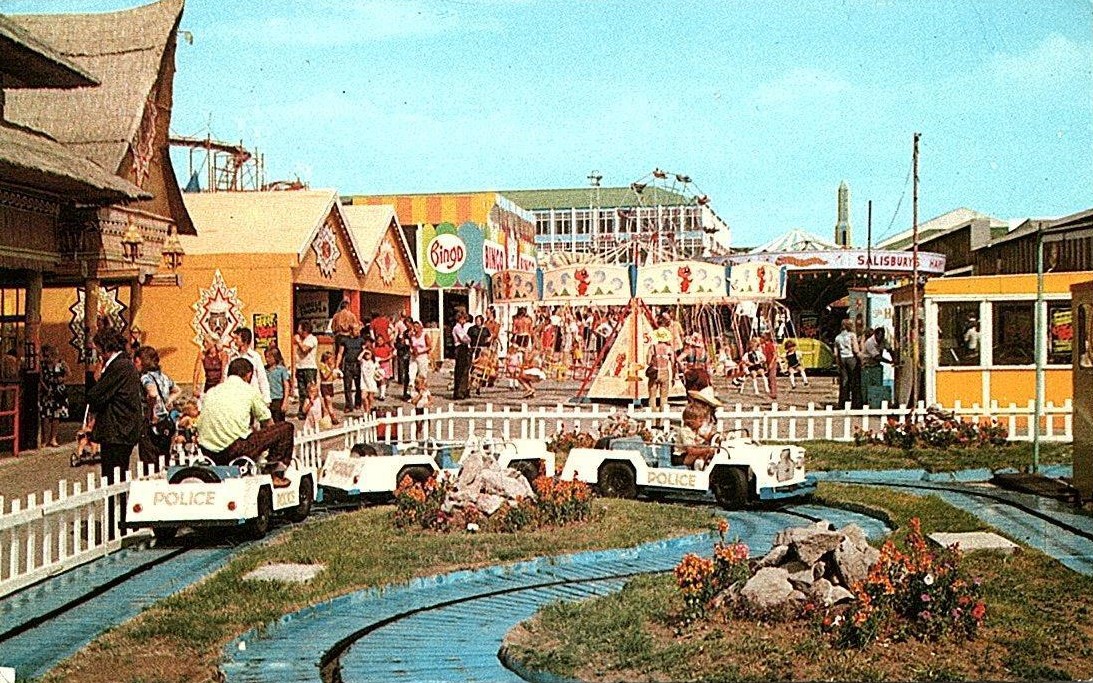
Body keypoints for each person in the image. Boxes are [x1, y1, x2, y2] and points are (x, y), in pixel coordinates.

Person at [196, 358, 294, 487]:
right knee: (286, 428)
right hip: (233, 449)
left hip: (207, 451)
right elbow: (268, 423)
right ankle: (274, 473)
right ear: (248, 375)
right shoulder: (250, 391)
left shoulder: (212, 391)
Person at [86, 326, 143, 483]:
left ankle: (116, 507)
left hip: (118, 430)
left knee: (114, 475)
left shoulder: (120, 366)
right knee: (115, 473)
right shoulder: (122, 364)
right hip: (118, 430)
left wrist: (97, 375)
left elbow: (95, 395)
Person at [137, 346, 181, 465]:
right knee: (163, 456)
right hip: (165, 422)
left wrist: (152, 410)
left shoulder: (145, 377)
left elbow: (152, 393)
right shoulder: (163, 376)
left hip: (152, 422)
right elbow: (177, 390)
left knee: (150, 459)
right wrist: (166, 402)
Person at [38, 344, 69, 448]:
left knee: (56, 415)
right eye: (45, 356)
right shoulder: (42, 365)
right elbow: (41, 378)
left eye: (49, 356)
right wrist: (45, 388)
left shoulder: (61, 363)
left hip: (59, 392)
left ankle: (53, 438)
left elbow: (69, 374)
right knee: (45, 416)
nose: (47, 358)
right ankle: (45, 439)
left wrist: (62, 379)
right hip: (47, 391)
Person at [231, 327, 270, 407]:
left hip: (252, 396)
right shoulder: (232, 357)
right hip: (236, 398)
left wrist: (266, 398)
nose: (234, 341)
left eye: (237, 338)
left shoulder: (255, 357)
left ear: (244, 340)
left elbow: (262, 378)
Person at [292, 321, 319, 418]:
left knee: (311, 391)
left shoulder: (311, 339)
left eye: (299, 328)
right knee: (302, 391)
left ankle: (313, 410)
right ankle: (302, 412)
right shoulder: (302, 339)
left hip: (309, 368)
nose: (297, 330)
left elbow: (304, 350)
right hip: (300, 367)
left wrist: (298, 341)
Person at [834, 319, 862, 408]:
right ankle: (855, 403)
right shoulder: (852, 335)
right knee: (854, 380)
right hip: (851, 358)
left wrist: (838, 363)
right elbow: (856, 350)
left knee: (844, 381)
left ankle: (842, 402)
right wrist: (861, 358)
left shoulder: (837, 337)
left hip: (842, 359)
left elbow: (835, 353)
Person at [337, 323, 364, 414]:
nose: (358, 332)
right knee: (347, 386)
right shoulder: (345, 340)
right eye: (356, 330)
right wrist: (337, 366)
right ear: (351, 331)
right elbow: (340, 353)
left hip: (358, 365)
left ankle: (358, 403)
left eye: (358, 330)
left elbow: (366, 350)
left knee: (359, 386)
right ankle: (349, 405)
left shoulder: (361, 340)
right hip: (348, 365)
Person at [646, 324, 674, 412]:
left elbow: (648, 361)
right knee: (664, 397)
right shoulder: (669, 348)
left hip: (654, 371)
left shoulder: (653, 347)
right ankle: (662, 421)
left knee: (652, 396)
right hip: (665, 371)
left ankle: (652, 419)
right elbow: (673, 362)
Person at [192, 335, 228, 403]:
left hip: (219, 384)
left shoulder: (222, 354)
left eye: (207, 342)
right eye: (204, 342)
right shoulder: (202, 354)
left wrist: (220, 387)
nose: (204, 344)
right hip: (208, 384)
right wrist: (194, 388)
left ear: (213, 342)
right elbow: (196, 371)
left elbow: (224, 373)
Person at [265, 346, 291, 423]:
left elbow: (286, 385)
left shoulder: (281, 369)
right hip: (268, 399)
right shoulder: (264, 370)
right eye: (266, 357)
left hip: (278, 398)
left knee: (278, 421)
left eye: (269, 357)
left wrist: (285, 401)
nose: (267, 359)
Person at [451, 310, 472, 400]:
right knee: (460, 370)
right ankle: (458, 392)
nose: (464, 321)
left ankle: (464, 390)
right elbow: (464, 339)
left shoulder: (462, 328)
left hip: (464, 348)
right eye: (463, 319)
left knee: (465, 370)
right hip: (460, 348)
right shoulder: (457, 328)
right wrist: (468, 339)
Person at [408, 320, 431, 388]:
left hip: (422, 356)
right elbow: (411, 345)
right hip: (414, 356)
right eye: (414, 326)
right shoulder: (412, 336)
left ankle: (423, 389)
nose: (415, 328)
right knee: (412, 372)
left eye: (417, 327)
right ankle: (412, 388)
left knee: (422, 374)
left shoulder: (424, 335)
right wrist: (412, 350)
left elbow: (429, 346)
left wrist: (421, 351)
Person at [318, 350, 339, 425]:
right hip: (325, 385)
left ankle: (327, 416)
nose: (332, 361)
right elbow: (325, 376)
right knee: (328, 400)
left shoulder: (330, 367)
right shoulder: (322, 366)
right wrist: (331, 371)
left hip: (330, 384)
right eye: (331, 359)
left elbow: (331, 378)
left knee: (328, 402)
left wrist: (336, 376)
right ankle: (332, 416)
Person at [410, 374, 432, 438]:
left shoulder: (426, 391)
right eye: (420, 385)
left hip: (425, 409)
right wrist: (420, 395)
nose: (422, 387)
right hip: (418, 408)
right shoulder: (414, 391)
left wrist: (429, 403)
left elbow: (431, 399)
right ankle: (417, 437)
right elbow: (413, 401)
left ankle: (427, 435)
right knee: (418, 424)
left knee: (426, 423)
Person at [761, 332, 779, 401]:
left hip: (772, 362)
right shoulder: (764, 346)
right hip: (768, 363)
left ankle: (774, 393)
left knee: (772, 377)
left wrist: (771, 363)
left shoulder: (770, 345)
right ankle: (771, 390)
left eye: (762, 337)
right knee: (769, 377)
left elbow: (774, 355)